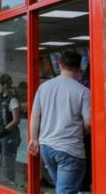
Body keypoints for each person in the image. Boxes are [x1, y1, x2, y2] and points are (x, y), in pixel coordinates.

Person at [28, 51, 91, 194]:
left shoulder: (43, 87)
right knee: (66, 190)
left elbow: (35, 115)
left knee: (62, 189)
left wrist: (34, 139)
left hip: (47, 148)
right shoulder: (83, 91)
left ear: (59, 64)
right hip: (70, 150)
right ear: (79, 67)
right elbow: (89, 124)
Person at [0, 74, 21, 185]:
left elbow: (16, 120)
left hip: (9, 135)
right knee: (2, 162)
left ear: (4, 85)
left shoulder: (12, 99)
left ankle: (10, 186)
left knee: (7, 163)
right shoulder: (0, 98)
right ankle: (7, 184)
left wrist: (4, 130)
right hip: (1, 136)